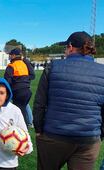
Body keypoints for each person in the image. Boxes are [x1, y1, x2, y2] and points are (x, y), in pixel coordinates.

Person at [33, 31, 104, 170]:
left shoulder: (53, 67)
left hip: (54, 136)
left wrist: (39, 129)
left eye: (66, 48)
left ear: (70, 47)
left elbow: (40, 103)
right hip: (88, 139)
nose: (65, 51)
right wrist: (99, 133)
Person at [4, 48, 35, 126]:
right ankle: (28, 125)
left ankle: (21, 130)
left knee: (18, 111)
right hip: (27, 91)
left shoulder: (11, 65)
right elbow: (32, 75)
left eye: (10, 55)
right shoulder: (25, 64)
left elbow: (7, 81)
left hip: (18, 91)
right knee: (23, 109)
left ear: (14, 55)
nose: (9, 56)